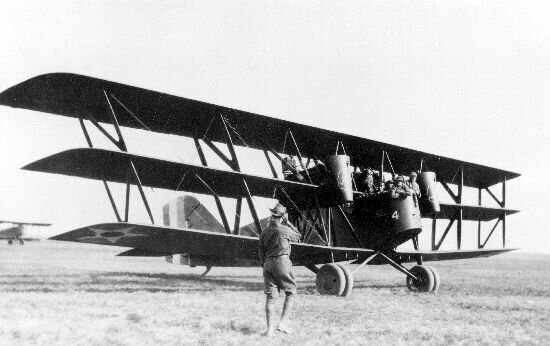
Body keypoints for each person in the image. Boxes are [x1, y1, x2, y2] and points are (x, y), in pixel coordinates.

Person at [259, 202, 301, 336]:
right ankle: (282, 324)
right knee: (291, 292)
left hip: (268, 263)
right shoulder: (285, 229)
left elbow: (261, 254)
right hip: (282, 262)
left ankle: (269, 330)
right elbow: (298, 236)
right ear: (282, 217)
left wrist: (265, 266)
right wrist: (288, 223)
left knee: (271, 297)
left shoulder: (264, 232)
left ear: (271, 215)